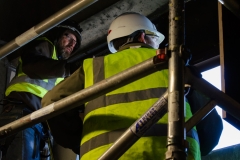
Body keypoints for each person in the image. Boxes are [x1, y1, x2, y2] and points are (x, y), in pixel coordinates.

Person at [41, 12, 201, 159]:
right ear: (142, 36)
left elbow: (50, 102)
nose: (158, 45)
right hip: (173, 154)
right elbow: (211, 124)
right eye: (155, 39)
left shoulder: (94, 66)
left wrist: (79, 141)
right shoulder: (173, 62)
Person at [0, 19, 82, 160]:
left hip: (36, 121)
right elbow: (31, 65)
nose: (72, 44)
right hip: (22, 113)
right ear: (58, 35)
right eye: (69, 37)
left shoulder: (57, 67)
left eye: (75, 43)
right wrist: (68, 68)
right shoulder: (46, 46)